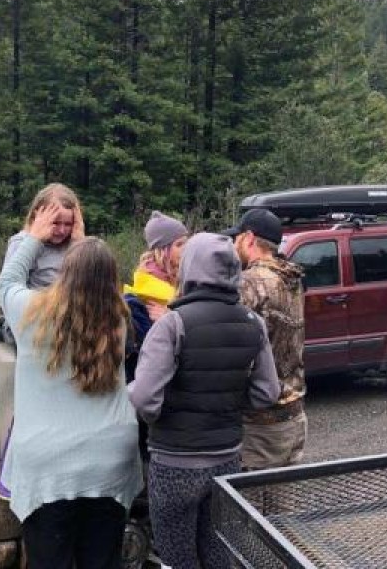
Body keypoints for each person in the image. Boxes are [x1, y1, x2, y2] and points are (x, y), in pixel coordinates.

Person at [0, 204, 142, 569]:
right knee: (102, 561)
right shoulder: (119, 319)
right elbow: (94, 272)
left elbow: (7, 280)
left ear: (65, 270)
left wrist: (34, 235)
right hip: (111, 459)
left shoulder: (31, 313)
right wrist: (85, 242)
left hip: (50, 467)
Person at [129, 232, 281, 569]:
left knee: (177, 556)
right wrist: (227, 402)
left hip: (174, 463)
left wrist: (158, 416)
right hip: (226, 459)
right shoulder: (252, 323)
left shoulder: (172, 324)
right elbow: (268, 392)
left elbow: (144, 399)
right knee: (217, 552)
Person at [0, 183, 84, 500]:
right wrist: (35, 236)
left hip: (69, 332)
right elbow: (8, 286)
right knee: (34, 404)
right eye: (54, 222)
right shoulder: (22, 243)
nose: (60, 230)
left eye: (67, 223)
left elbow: (85, 282)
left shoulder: (74, 246)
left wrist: (79, 241)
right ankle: (12, 473)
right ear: (37, 216)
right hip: (33, 330)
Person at [224, 208, 307, 469]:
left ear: (248, 239)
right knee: (284, 506)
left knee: (250, 505)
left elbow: (234, 345)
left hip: (261, 423)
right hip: (294, 413)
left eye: (236, 239)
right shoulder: (292, 279)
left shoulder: (250, 283)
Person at [123, 211, 188, 458]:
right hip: (154, 405)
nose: (186, 249)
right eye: (180, 244)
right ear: (161, 250)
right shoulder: (139, 298)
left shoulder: (180, 284)